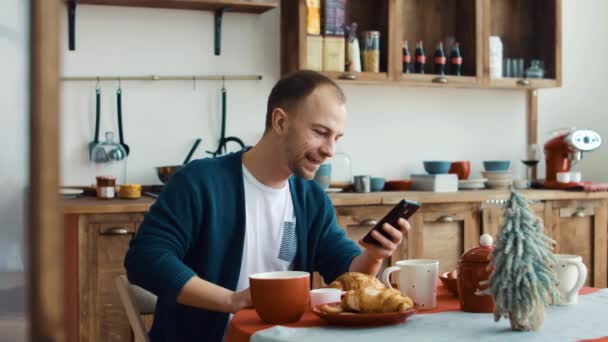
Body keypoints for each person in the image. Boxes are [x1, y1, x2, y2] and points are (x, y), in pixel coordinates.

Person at [124, 70, 411, 342]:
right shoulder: (200, 182)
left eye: (336, 138)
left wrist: (374, 254)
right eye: (321, 132)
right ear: (280, 122)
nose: (330, 150)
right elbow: (146, 259)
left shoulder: (310, 198)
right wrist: (232, 301)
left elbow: (346, 272)